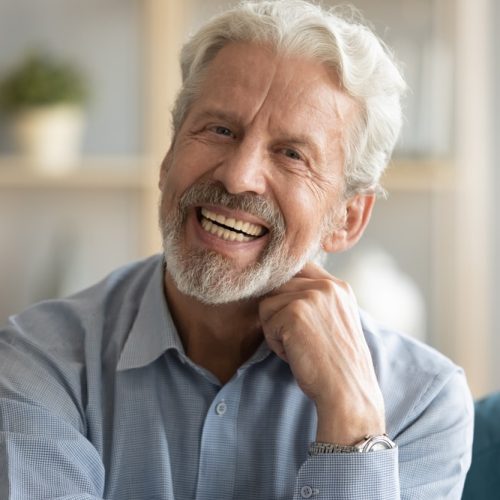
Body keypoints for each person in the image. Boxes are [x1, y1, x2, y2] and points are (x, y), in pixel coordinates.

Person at [0, 1, 473, 499]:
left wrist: (353, 428)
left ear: (347, 219)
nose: (238, 175)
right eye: (220, 130)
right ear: (168, 157)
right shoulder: (41, 359)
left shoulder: (423, 403)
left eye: (291, 154)